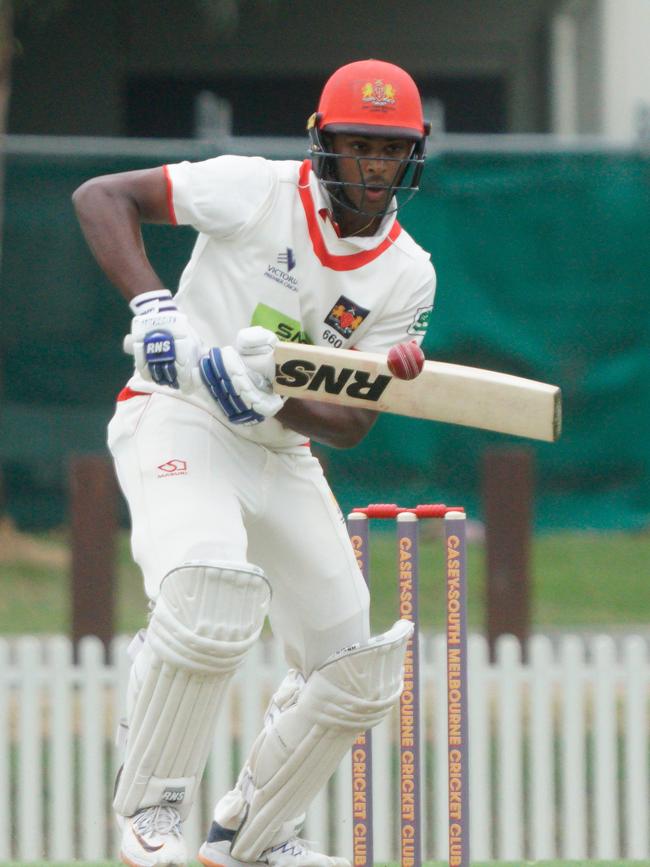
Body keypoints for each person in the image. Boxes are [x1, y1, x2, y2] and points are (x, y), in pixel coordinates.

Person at [73, 58, 435, 867]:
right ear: (322, 144)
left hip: (280, 449)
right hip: (179, 418)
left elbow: (348, 423)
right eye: (356, 146)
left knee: (357, 670)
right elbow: (102, 197)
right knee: (209, 597)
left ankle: (253, 838)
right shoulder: (254, 188)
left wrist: (269, 397)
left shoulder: (407, 274)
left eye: (389, 149)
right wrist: (151, 302)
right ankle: (152, 807)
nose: (372, 167)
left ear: (414, 153)